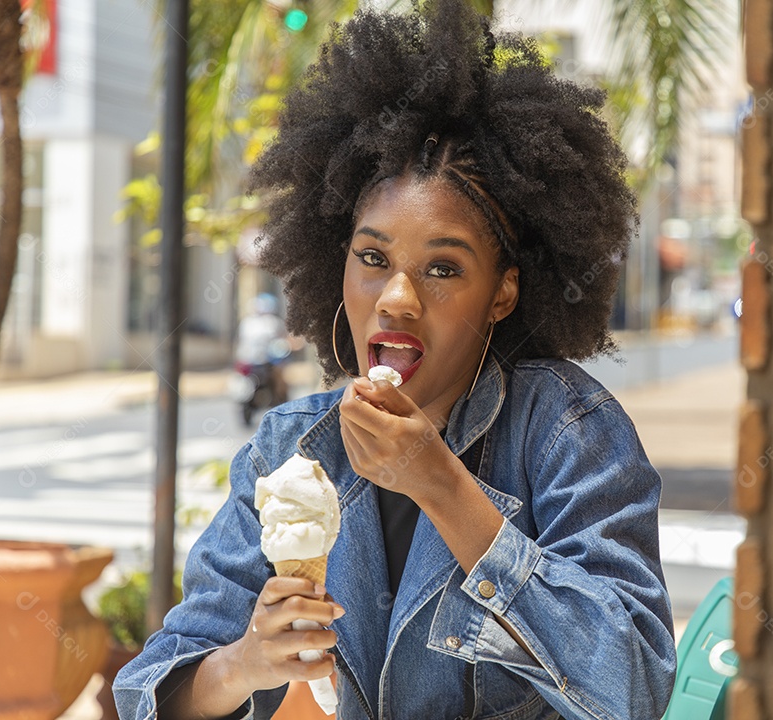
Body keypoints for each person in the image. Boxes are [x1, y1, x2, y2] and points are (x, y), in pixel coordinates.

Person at [115, 1, 676, 717]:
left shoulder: (565, 431)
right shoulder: (293, 447)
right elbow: (146, 691)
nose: (398, 299)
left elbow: (635, 686)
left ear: (503, 291)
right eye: (373, 258)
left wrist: (443, 488)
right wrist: (242, 663)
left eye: (443, 268)